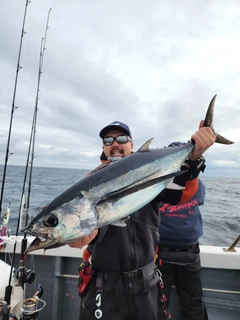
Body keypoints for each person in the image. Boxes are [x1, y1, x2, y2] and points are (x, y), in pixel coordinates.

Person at [69, 120, 215, 320]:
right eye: (108, 140)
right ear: (103, 147)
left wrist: (194, 157)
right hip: (103, 284)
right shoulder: (91, 182)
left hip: (145, 284)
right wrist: (85, 235)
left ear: (132, 144)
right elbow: (89, 224)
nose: (115, 144)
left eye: (121, 138)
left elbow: (179, 195)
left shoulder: (150, 173)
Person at [156, 142, 207, 320]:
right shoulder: (198, 184)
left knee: (159, 304)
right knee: (193, 304)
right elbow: (200, 201)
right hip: (190, 253)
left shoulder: (161, 185)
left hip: (160, 252)